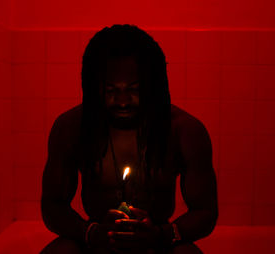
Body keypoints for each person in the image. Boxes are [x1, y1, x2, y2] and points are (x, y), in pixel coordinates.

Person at [40, 24, 218, 254]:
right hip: (97, 243)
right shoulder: (71, 128)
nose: (122, 101)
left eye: (135, 89)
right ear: (94, 88)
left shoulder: (184, 131)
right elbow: (52, 206)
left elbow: (206, 212)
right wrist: (91, 232)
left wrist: (162, 234)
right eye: (111, 90)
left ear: (153, 87)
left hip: (157, 245)